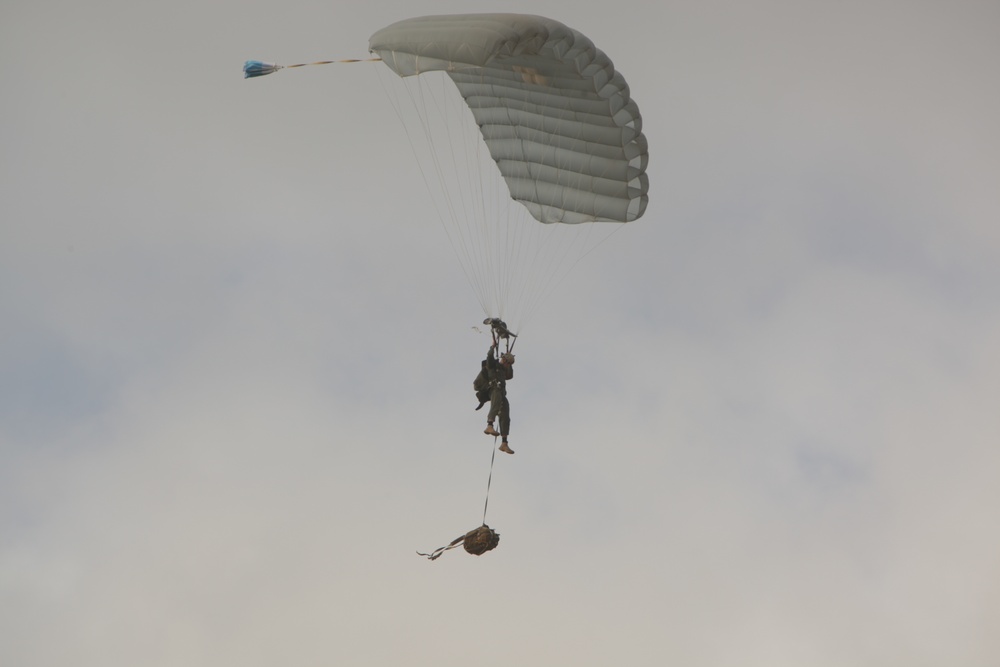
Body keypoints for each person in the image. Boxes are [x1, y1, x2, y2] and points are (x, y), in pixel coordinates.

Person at [473, 345, 515, 454]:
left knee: (505, 415)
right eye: (507, 363)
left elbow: (510, 375)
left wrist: (509, 355)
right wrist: (492, 347)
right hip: (493, 389)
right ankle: (489, 425)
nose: (508, 365)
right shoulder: (492, 365)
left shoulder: (504, 370)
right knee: (495, 404)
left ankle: (504, 443)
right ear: (503, 360)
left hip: (501, 392)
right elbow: (489, 357)